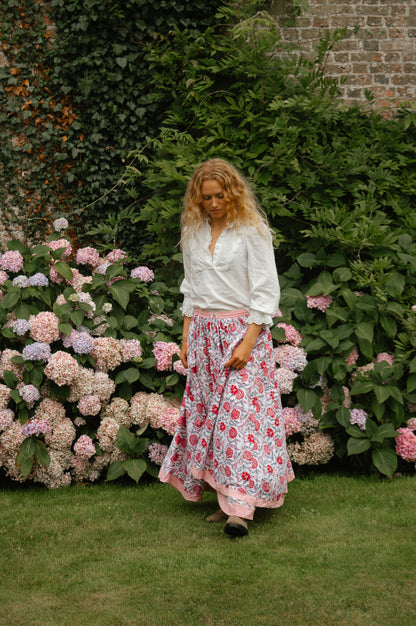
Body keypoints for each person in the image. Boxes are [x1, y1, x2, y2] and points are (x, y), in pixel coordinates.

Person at [159, 158, 294, 537]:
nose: (214, 204)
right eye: (206, 198)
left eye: (220, 196)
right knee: (211, 419)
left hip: (242, 332)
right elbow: (190, 288)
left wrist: (249, 341)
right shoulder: (193, 230)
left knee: (239, 420)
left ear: (232, 193)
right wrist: (186, 338)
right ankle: (226, 497)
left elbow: (266, 290)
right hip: (203, 332)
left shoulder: (252, 231)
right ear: (197, 199)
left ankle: (239, 510)